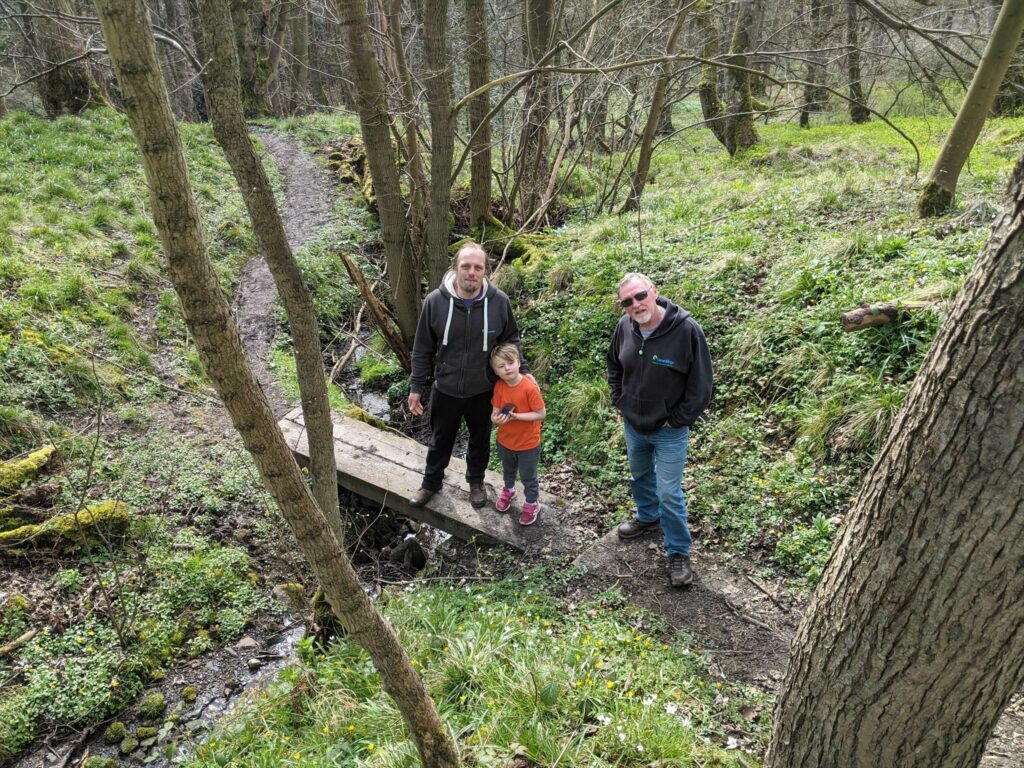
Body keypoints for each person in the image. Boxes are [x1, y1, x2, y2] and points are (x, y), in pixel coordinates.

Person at [607, 273, 713, 587]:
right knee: (639, 474)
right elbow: (614, 364)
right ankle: (647, 516)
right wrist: (620, 400)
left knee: (669, 492)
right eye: (628, 301)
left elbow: (701, 386)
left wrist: (676, 419)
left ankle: (678, 552)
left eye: (640, 296)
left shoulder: (686, 330)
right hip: (634, 423)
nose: (636, 304)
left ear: (654, 292)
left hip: (669, 430)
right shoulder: (624, 327)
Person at [407, 242, 526, 509]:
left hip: (484, 390)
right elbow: (423, 347)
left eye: (478, 267)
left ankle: (475, 483)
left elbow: (512, 340)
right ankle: (431, 483)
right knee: (439, 441)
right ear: (456, 269)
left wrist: (521, 377)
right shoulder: (435, 302)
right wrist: (416, 386)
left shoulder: (499, 303)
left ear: (485, 271)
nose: (471, 272)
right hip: (446, 388)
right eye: (466, 266)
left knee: (480, 441)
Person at [489, 343, 546, 526]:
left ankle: (531, 502)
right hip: (505, 441)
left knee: (529, 476)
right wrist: (496, 419)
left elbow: (541, 413)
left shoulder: (529, 387)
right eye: (501, 366)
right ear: (496, 372)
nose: (507, 368)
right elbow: (495, 411)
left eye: (510, 363)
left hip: (528, 444)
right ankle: (509, 490)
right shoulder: (499, 386)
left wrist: (516, 417)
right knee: (508, 471)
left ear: (518, 363)